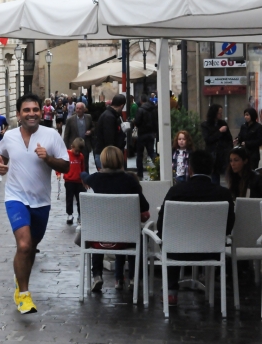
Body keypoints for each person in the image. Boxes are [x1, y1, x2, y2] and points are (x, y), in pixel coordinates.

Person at [0, 93, 70, 314]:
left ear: (41, 112)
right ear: (18, 115)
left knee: (31, 249)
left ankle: (20, 284)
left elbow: (66, 167)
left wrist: (48, 159)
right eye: (26, 110)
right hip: (15, 198)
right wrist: (0, 167)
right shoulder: (9, 137)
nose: (32, 114)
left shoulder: (51, 135)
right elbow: (2, 156)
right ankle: (25, 296)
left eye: (35, 110)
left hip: (41, 202)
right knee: (24, 245)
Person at [157, 149, 235, 307]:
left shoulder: (176, 191)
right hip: (212, 251)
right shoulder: (223, 194)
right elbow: (229, 225)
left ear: (190, 169)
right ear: (212, 169)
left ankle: (171, 292)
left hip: (177, 251)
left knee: (169, 237)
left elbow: (162, 224)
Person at [84, 146, 149, 292]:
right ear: (121, 159)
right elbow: (144, 205)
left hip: (98, 239)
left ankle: (97, 275)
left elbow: (85, 182)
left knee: (98, 230)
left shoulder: (94, 179)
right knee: (138, 234)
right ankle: (134, 277)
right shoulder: (129, 181)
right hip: (125, 239)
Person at [201, 103, 233, 184]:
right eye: (219, 113)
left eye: (221, 112)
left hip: (223, 154)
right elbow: (208, 139)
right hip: (212, 154)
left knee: (228, 175)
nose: (221, 114)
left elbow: (229, 139)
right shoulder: (206, 125)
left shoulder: (223, 123)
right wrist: (219, 131)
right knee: (214, 176)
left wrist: (229, 149)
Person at [94, 93, 127, 170]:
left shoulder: (111, 115)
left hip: (108, 154)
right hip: (108, 156)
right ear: (122, 106)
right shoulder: (110, 117)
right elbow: (109, 139)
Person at [64, 102, 93, 174]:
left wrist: (91, 131)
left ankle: (86, 180)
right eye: (77, 108)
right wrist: (66, 148)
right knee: (75, 165)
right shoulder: (70, 120)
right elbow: (66, 135)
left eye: (80, 109)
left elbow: (93, 127)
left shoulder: (88, 117)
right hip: (74, 147)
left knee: (85, 165)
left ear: (84, 109)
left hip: (85, 145)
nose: (78, 110)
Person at [134, 93, 158, 180]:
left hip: (142, 134)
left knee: (139, 155)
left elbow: (137, 121)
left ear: (141, 101)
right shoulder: (153, 109)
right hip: (151, 134)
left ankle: (140, 174)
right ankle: (159, 168)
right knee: (152, 152)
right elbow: (156, 121)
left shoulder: (140, 110)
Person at [64, 137, 85, 225]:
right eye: (75, 151)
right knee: (69, 199)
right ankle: (69, 214)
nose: (77, 153)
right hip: (69, 181)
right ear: (72, 147)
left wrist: (83, 178)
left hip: (79, 181)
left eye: (78, 152)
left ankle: (80, 215)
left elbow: (82, 168)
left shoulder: (81, 156)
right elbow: (62, 164)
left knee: (80, 199)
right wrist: (58, 173)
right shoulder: (67, 154)